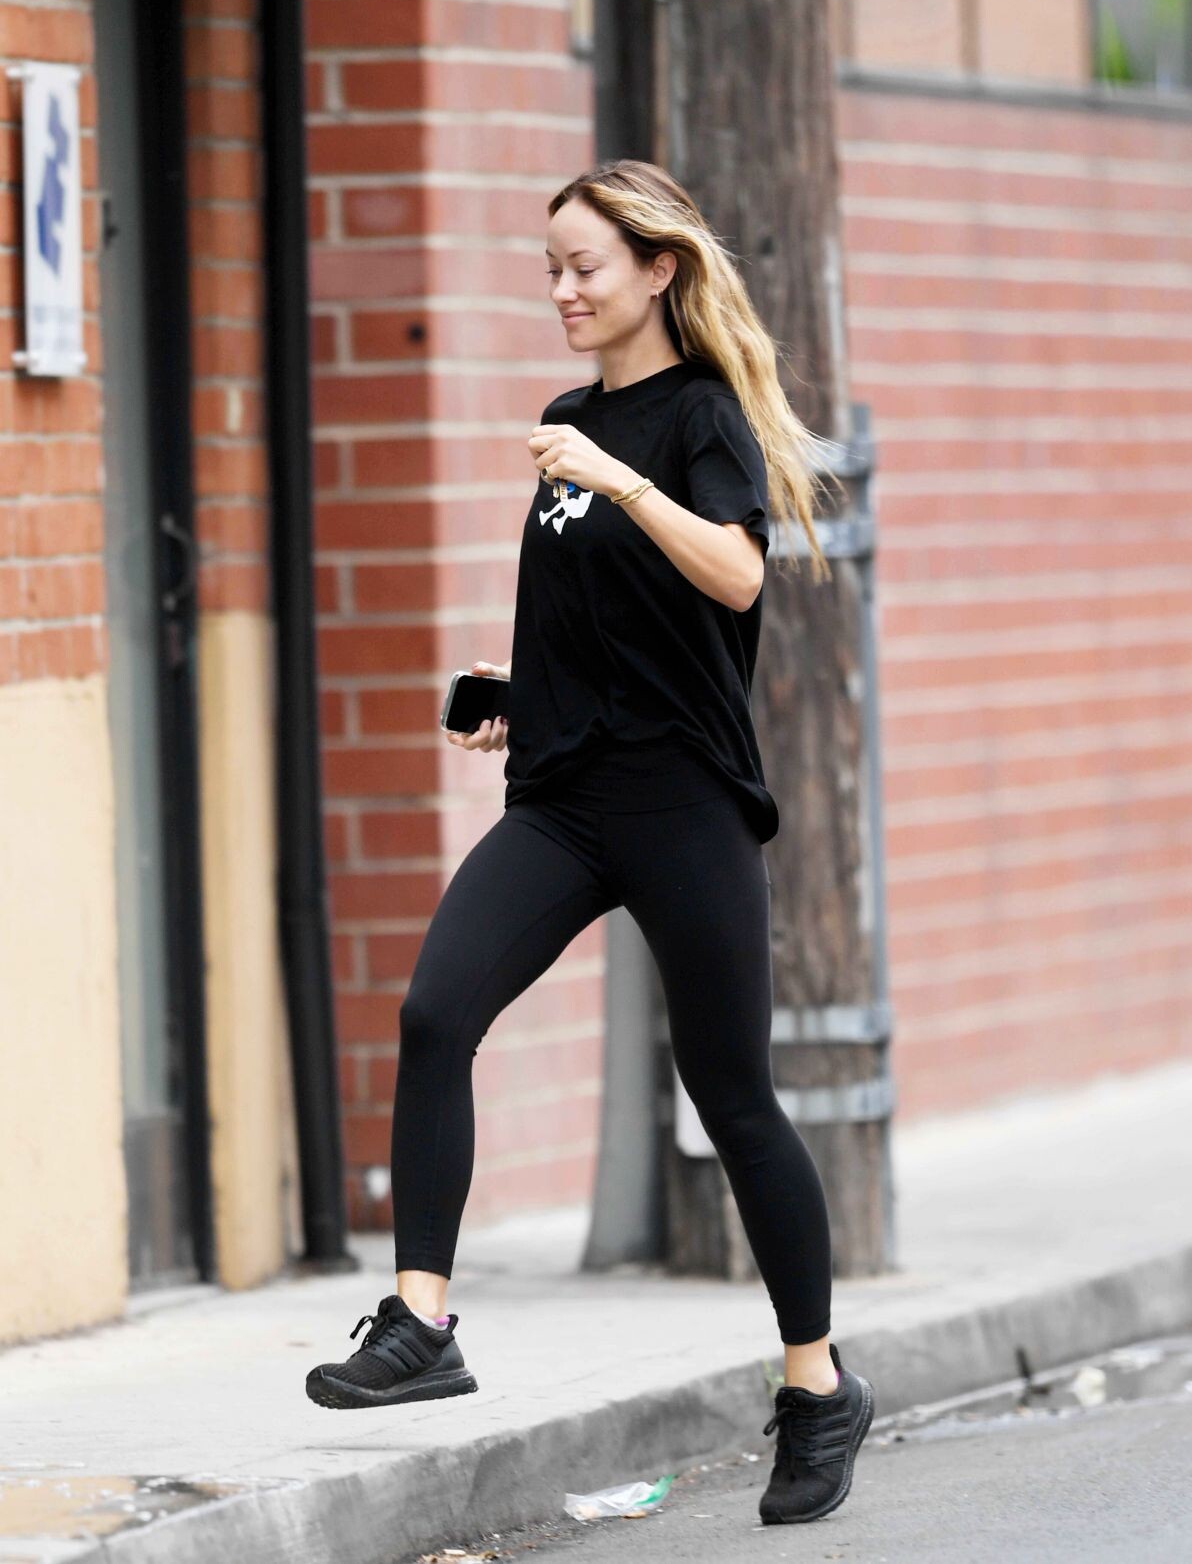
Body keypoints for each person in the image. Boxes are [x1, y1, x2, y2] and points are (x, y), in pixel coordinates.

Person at [306, 159, 874, 1526]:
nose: (562, 292)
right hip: (563, 799)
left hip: (683, 803)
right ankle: (421, 1321)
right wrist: (518, 694)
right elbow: (613, 626)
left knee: (732, 1094)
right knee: (435, 1011)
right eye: (550, 270)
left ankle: (816, 1383)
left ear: (658, 271)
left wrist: (618, 479)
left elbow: (736, 574)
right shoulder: (569, 421)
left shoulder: (698, 417)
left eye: (585, 268)